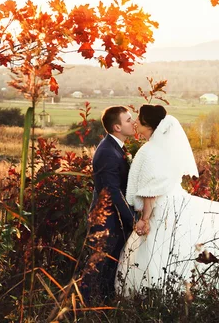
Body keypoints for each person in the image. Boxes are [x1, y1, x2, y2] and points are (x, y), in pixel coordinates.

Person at [115, 105, 219, 296]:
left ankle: (156, 295)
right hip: (177, 200)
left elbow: (151, 189)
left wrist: (145, 218)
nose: (134, 123)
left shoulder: (149, 151)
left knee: (158, 252)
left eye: (138, 120)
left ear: (148, 125)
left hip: (162, 208)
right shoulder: (164, 149)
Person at [81, 106, 136, 304]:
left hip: (113, 219)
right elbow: (112, 192)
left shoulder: (115, 147)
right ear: (117, 127)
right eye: (129, 120)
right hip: (105, 220)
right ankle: (80, 307)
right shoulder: (107, 152)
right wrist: (132, 220)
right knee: (97, 267)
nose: (134, 122)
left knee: (109, 267)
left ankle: (104, 305)